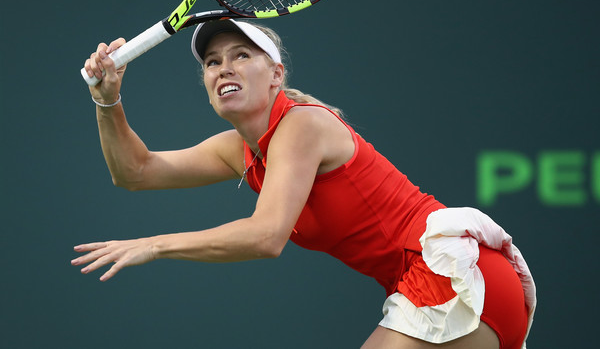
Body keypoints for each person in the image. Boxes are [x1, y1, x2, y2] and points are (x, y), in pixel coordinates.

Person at [73, 19, 536, 348]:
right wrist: (107, 101)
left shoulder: (302, 125)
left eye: (241, 55)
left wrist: (157, 244)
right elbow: (134, 172)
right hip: (434, 289)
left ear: (277, 74)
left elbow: (266, 236)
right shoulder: (239, 150)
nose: (224, 68)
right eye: (212, 62)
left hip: (454, 278)